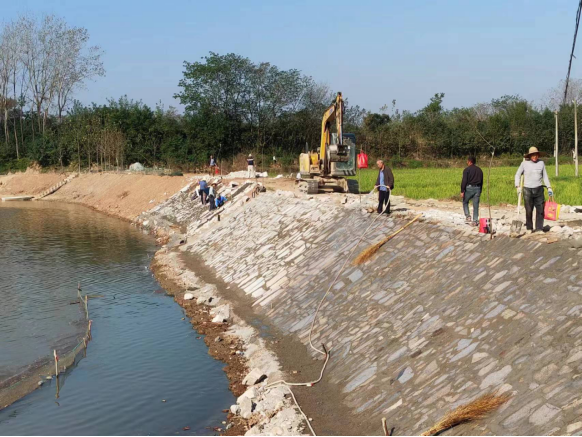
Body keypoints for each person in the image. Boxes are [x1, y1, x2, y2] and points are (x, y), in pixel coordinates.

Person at [515, 147, 553, 233]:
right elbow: (517, 175)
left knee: (540, 210)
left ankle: (539, 228)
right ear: (529, 156)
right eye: (533, 155)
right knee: (528, 210)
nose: (534, 157)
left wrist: (549, 187)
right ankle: (529, 228)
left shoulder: (541, 163)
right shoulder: (524, 164)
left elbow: (545, 176)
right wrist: (517, 186)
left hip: (539, 189)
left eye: (536, 155)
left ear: (538, 155)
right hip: (527, 190)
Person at [461, 156, 483, 226]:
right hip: (478, 188)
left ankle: (468, 216)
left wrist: (462, 191)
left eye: (467, 161)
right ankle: (475, 220)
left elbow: (464, 181)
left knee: (465, 201)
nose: (467, 162)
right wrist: (480, 190)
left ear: (470, 162)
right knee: (476, 205)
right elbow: (481, 181)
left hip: (469, 188)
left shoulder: (466, 170)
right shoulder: (479, 170)